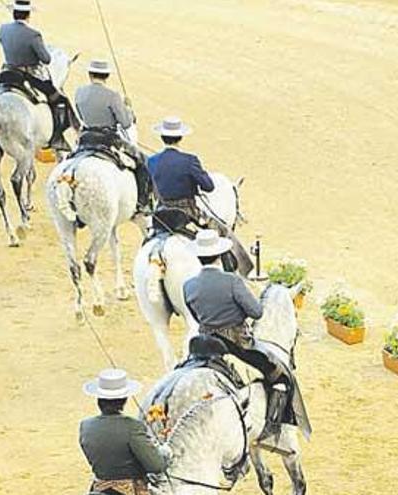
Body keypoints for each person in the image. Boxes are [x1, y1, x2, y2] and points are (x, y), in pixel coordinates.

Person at [182, 230, 292, 441]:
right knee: (281, 376)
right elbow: (257, 312)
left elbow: (195, 316)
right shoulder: (232, 281)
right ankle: (272, 425)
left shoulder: (188, 285)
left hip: (203, 342)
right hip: (237, 343)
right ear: (220, 254)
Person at [148, 117, 252, 274]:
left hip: (160, 215)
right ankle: (234, 273)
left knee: (147, 241)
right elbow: (208, 186)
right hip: (187, 213)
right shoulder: (189, 161)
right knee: (222, 232)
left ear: (162, 138)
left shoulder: (152, 161)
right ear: (180, 137)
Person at [75, 60, 151, 214]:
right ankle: (142, 202)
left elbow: (80, 114)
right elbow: (126, 123)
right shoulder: (113, 96)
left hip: (86, 137)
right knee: (143, 161)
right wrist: (128, 108)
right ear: (107, 76)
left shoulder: (79, 92)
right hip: (108, 138)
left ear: (90, 75)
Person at [80, 369, 170, 495]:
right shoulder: (133, 426)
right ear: (124, 400)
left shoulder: (85, 425)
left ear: (99, 399)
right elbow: (156, 466)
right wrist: (165, 452)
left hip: (98, 487)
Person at [0, 0, 73, 150]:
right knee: (60, 100)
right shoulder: (33, 34)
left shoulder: (3, 29)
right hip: (28, 75)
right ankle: (57, 137)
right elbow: (46, 59)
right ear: (28, 15)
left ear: (14, 13)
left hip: (7, 72)